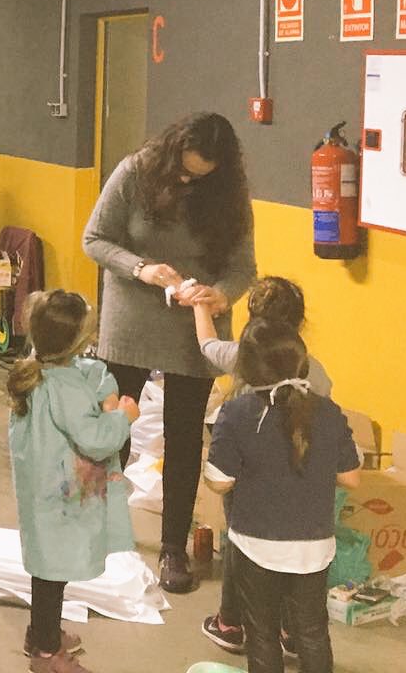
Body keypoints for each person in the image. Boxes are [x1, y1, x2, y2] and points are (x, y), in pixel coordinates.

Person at [82, 111, 257, 594]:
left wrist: (221, 294)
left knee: (183, 439)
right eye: (183, 170)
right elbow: (94, 239)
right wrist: (141, 268)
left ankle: (173, 548)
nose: (187, 180)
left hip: (195, 325)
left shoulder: (231, 196)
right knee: (112, 430)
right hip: (132, 317)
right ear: (172, 150)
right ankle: (99, 531)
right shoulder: (135, 172)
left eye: (200, 176)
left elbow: (243, 267)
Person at [204, 320, 359, 673]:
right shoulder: (328, 411)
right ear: (303, 363)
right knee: (313, 632)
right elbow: (351, 477)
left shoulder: (237, 412)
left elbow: (219, 482)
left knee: (262, 633)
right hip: (314, 547)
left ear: (245, 369)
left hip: (255, 544)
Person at [192, 278, 332, 656]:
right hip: (299, 479)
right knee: (294, 553)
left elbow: (207, 344)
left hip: (248, 479)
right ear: (300, 323)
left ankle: (231, 623)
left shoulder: (243, 357)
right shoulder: (315, 371)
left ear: (252, 320)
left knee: (243, 548)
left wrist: (200, 306)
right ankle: (292, 631)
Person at [7, 290, 139, 673]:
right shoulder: (65, 388)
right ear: (76, 342)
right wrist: (123, 416)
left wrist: (106, 391)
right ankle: (46, 654)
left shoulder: (40, 369)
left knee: (47, 566)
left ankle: (40, 633)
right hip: (60, 499)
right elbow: (96, 440)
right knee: (53, 573)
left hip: (42, 492)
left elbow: (92, 372)